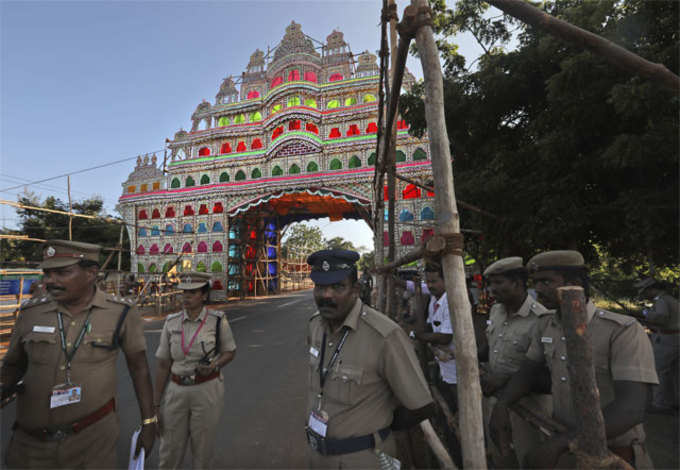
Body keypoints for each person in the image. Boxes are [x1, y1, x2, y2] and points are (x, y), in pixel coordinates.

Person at [490, 250, 658, 469]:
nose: (538, 289)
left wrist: (559, 444)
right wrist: (502, 405)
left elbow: (631, 408)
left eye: (546, 282)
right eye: (536, 282)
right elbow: (527, 371)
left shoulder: (621, 331)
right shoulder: (546, 324)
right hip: (567, 449)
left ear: (575, 283)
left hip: (611, 456)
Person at [0, 240, 156, 468]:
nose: (51, 280)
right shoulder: (31, 312)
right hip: (30, 446)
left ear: (91, 273)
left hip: (92, 444)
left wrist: (149, 422)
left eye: (62, 272)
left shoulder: (120, 312)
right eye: (47, 273)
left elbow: (139, 368)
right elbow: (13, 365)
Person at [305, 249, 434, 468]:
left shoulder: (384, 336)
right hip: (317, 455)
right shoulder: (315, 326)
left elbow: (421, 406)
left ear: (355, 290)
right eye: (321, 286)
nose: (327, 295)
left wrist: (380, 428)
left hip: (364, 459)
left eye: (337, 287)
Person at [154, 271, 236, 469]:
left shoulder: (217, 321)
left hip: (207, 390)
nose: (186, 297)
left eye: (192, 293)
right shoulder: (171, 322)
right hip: (176, 390)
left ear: (204, 295)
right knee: (170, 448)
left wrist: (214, 365)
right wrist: (155, 404)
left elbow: (229, 351)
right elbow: (163, 364)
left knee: (203, 448)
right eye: (184, 292)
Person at [478, 257, 551, 467]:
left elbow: (548, 373)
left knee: (527, 458)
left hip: (529, 408)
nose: (492, 289)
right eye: (491, 283)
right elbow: (489, 347)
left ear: (517, 283)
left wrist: (505, 379)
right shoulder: (496, 311)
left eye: (498, 283)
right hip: (494, 400)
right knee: (501, 457)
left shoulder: (542, 319)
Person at [635, 277, 679, 413]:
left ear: (652, 289)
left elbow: (661, 317)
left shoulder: (661, 301)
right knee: (675, 373)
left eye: (645, 291)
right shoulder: (671, 300)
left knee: (661, 371)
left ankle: (661, 404)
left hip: (668, 339)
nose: (645, 294)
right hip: (675, 337)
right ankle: (674, 401)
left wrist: (646, 315)